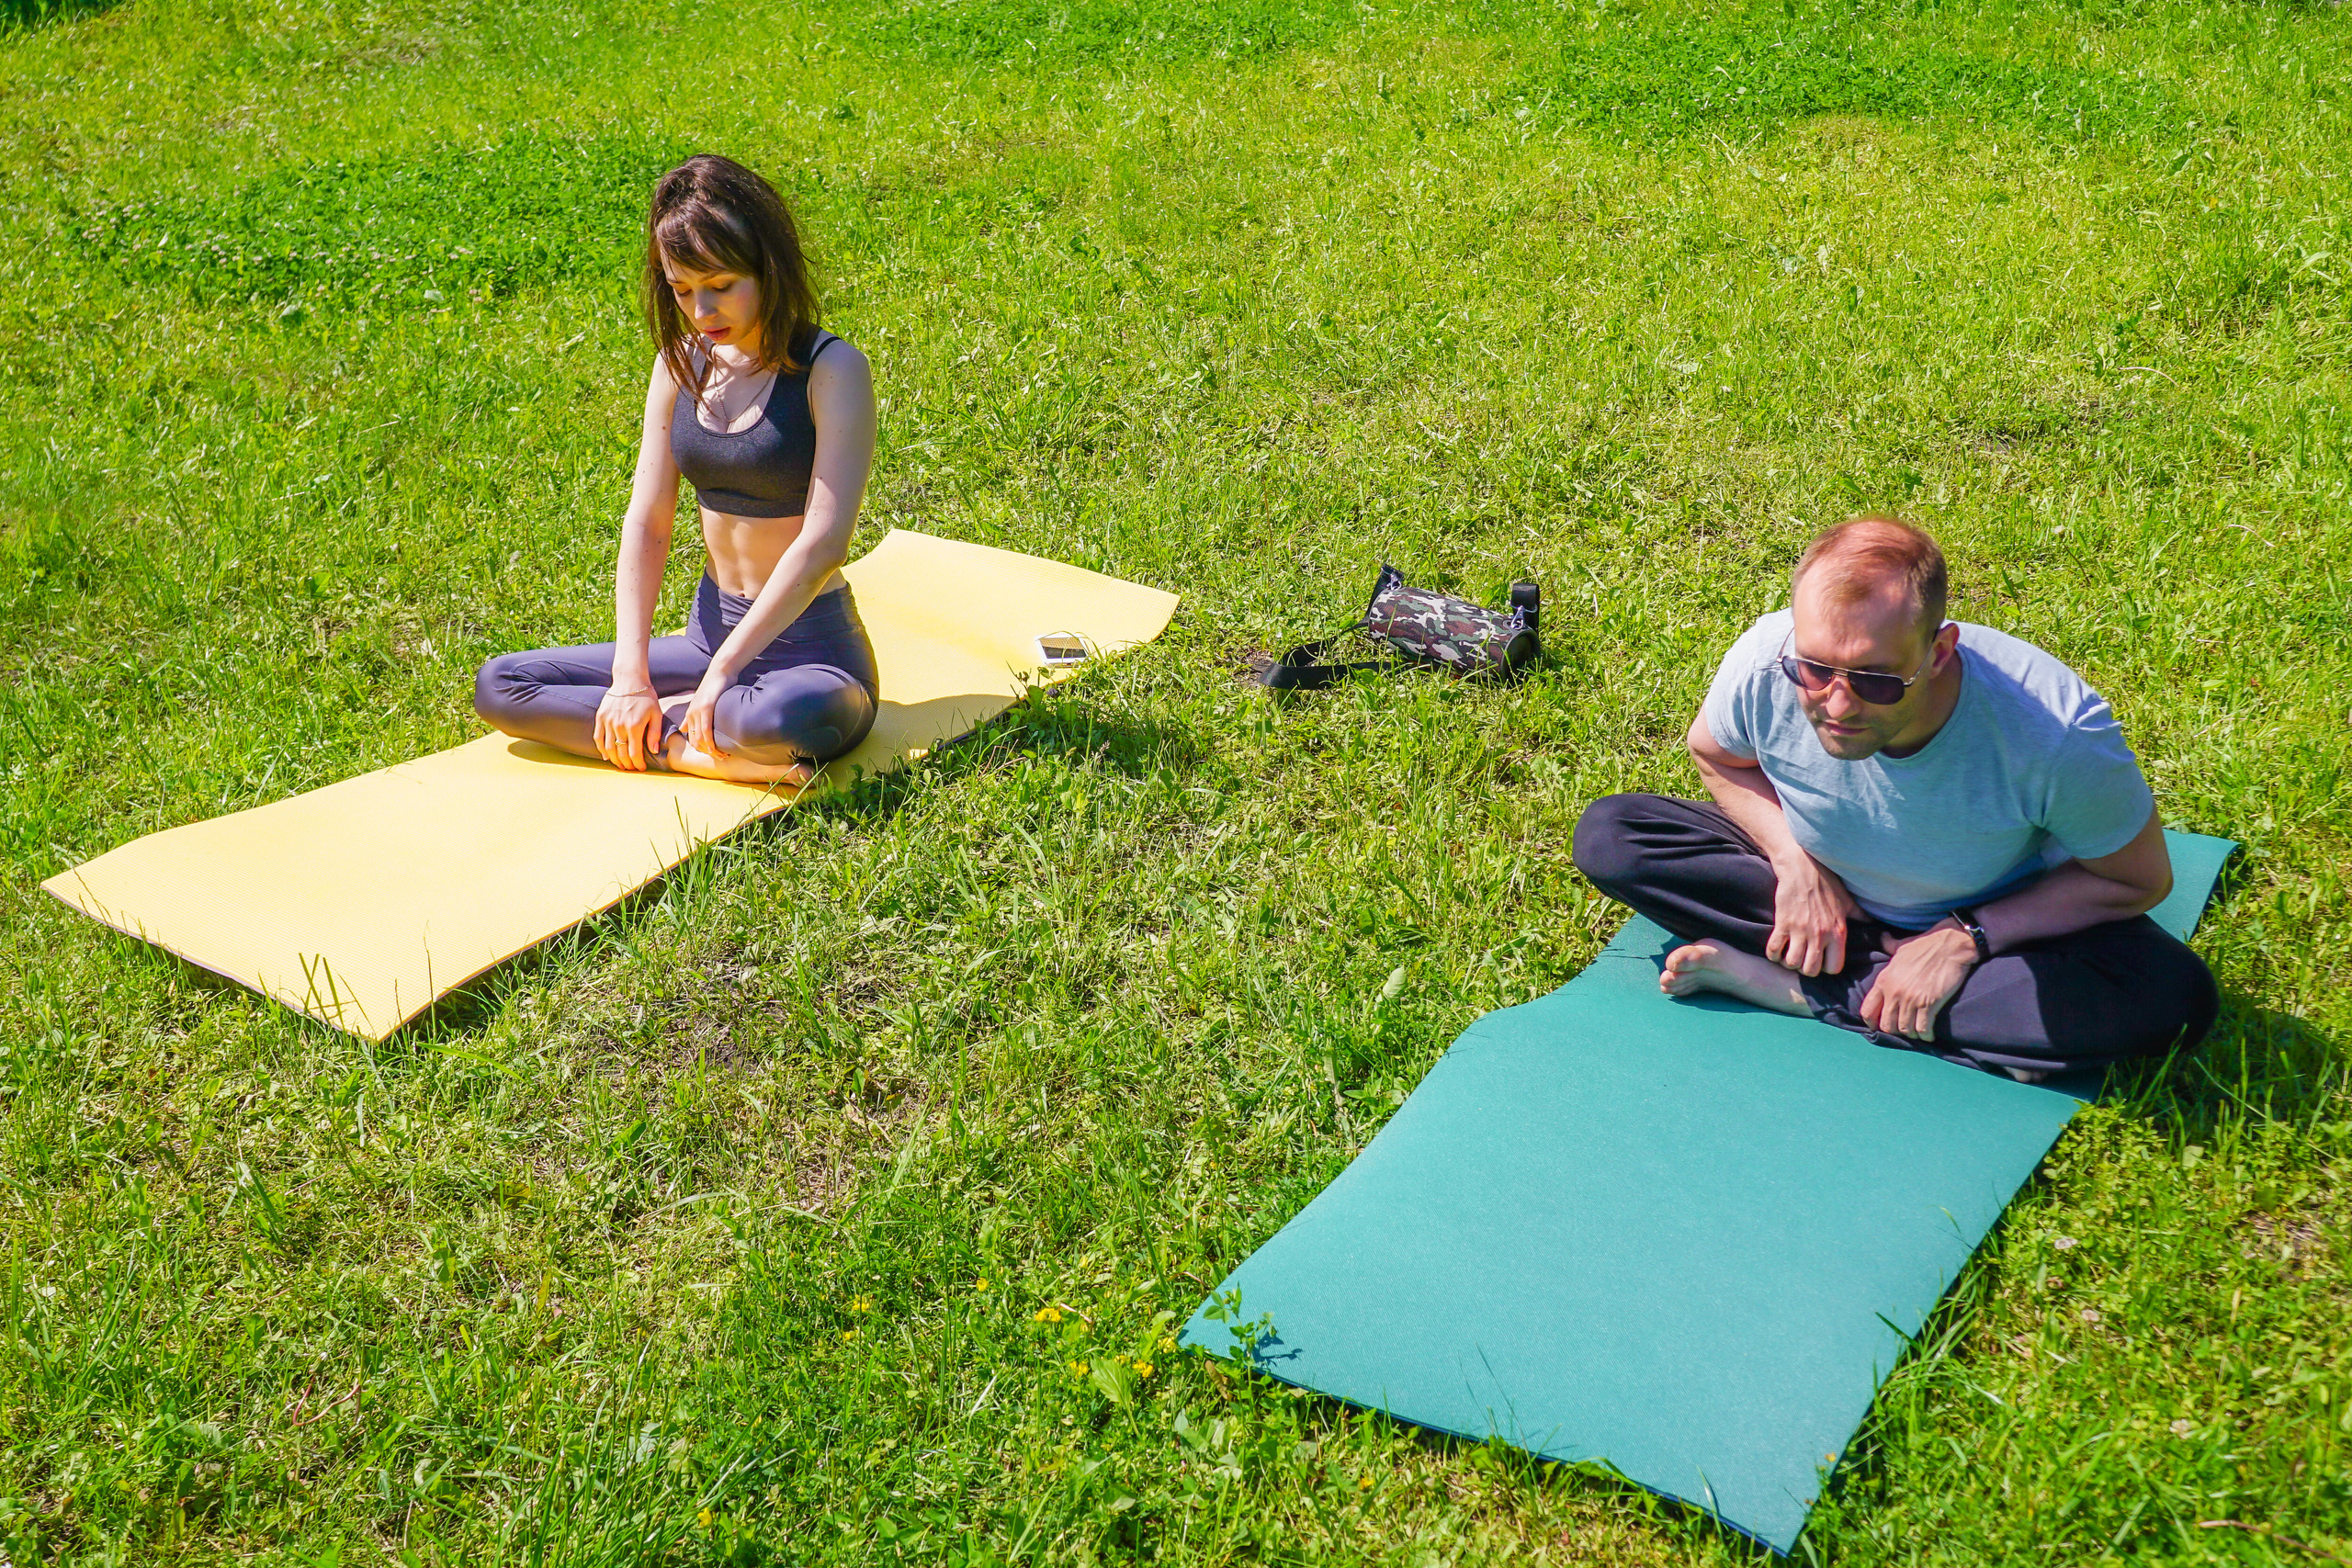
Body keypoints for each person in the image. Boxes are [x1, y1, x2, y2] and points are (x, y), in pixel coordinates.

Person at [1571, 515, 2219, 1081]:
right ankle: (1906, 1001)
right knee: (1613, 835)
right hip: (1825, 890)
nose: (1838, 703)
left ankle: (1799, 989)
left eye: (1876, 679)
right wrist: (1795, 862)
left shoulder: (2053, 733)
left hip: (1995, 921)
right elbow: (1714, 754)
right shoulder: (1767, 658)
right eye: (1817, 668)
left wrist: (1967, 937)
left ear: (1938, 652)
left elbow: (2137, 879)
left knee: (2173, 996)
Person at [474, 154, 879, 785]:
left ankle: (700, 730)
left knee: (789, 714)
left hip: (810, 656)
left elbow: (825, 540)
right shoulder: (679, 365)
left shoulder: (833, 370)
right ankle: (696, 747)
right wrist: (630, 675)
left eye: (720, 284)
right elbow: (649, 518)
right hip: (703, 638)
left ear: (768, 266)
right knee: (503, 684)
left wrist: (723, 675)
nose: (701, 309)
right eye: (682, 289)